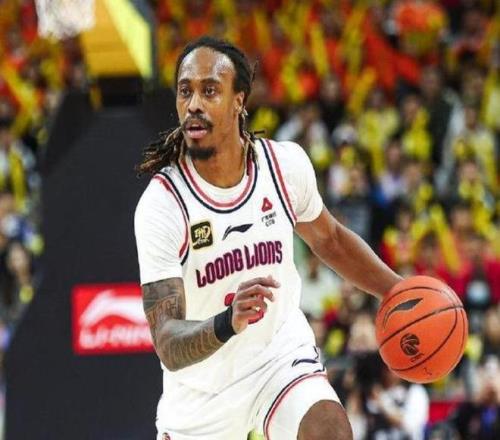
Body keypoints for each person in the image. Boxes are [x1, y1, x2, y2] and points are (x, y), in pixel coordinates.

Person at [134, 36, 402, 440]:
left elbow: (329, 239)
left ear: (238, 100)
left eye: (210, 90)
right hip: (202, 392)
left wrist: (398, 290)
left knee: (329, 430)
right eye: (185, 91)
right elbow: (168, 341)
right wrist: (228, 321)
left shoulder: (282, 166)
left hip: (278, 357)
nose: (194, 104)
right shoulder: (164, 204)